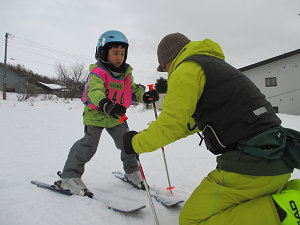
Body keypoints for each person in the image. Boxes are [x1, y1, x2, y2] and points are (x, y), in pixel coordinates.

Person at [123, 32, 300, 225]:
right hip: (277, 158)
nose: (166, 72)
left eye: (164, 67)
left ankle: (283, 211)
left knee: (193, 219)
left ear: (169, 59)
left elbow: (171, 125)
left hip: (250, 166)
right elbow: (186, 123)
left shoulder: (186, 69)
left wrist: (136, 143)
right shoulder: (215, 66)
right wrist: (151, 133)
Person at [55, 30, 159, 197]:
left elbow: (132, 90)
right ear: (103, 52)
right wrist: (105, 104)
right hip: (96, 114)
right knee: (88, 145)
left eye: (123, 53)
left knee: (128, 143)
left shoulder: (125, 74)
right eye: (115, 53)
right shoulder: (98, 71)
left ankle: (132, 171)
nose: (119, 57)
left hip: (116, 116)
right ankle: (70, 176)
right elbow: (94, 91)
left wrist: (144, 96)